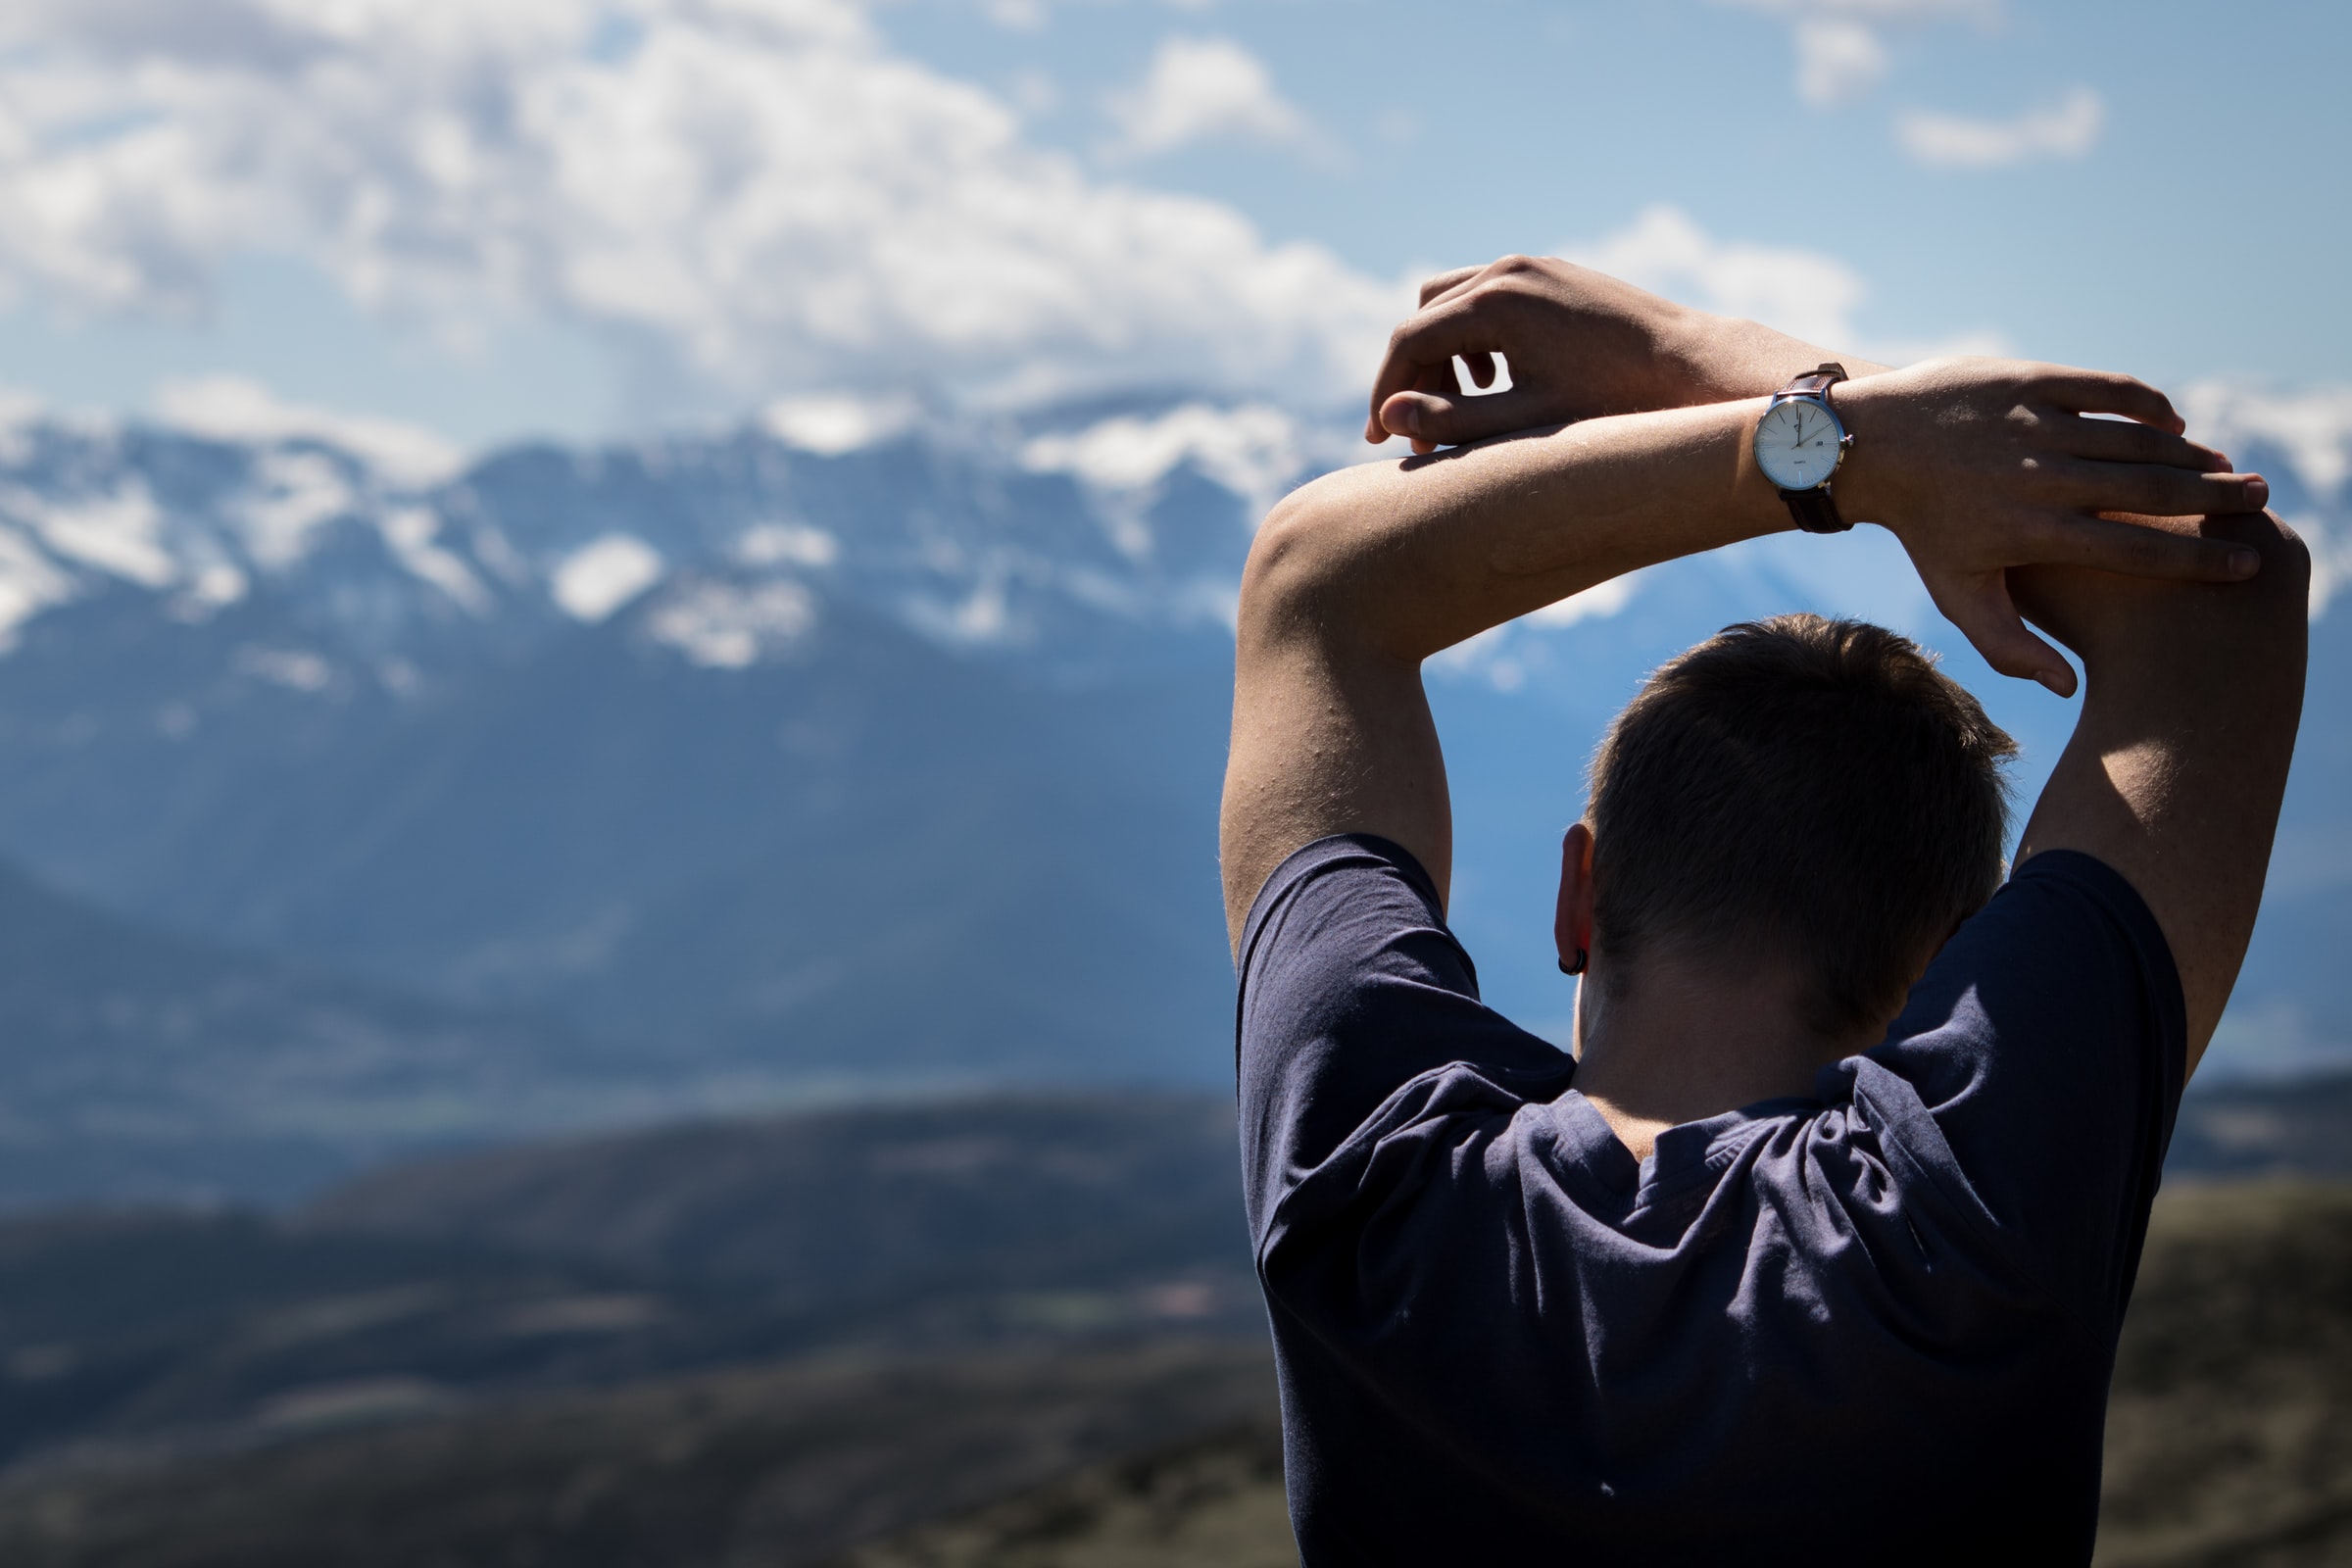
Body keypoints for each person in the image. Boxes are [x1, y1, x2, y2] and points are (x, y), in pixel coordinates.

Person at [1221, 256, 2308, 1561]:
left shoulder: (1369, 1179)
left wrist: (1845, 445)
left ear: (1583, 894)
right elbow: (2222, 581)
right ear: (1962, 972)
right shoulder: (1963, 1224)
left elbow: (1309, 588)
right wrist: (1751, 380)